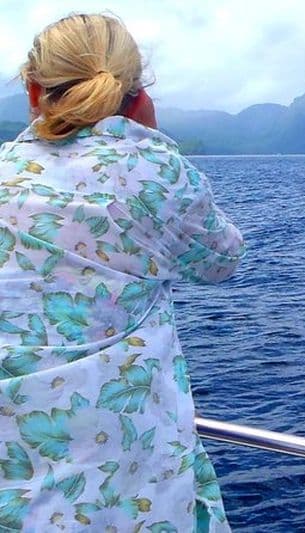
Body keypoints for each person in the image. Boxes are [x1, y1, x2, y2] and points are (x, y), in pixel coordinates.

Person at [0, 13, 244, 531]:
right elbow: (223, 259)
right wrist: (149, 143)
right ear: (136, 95)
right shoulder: (155, 172)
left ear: (32, 90)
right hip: (131, 489)